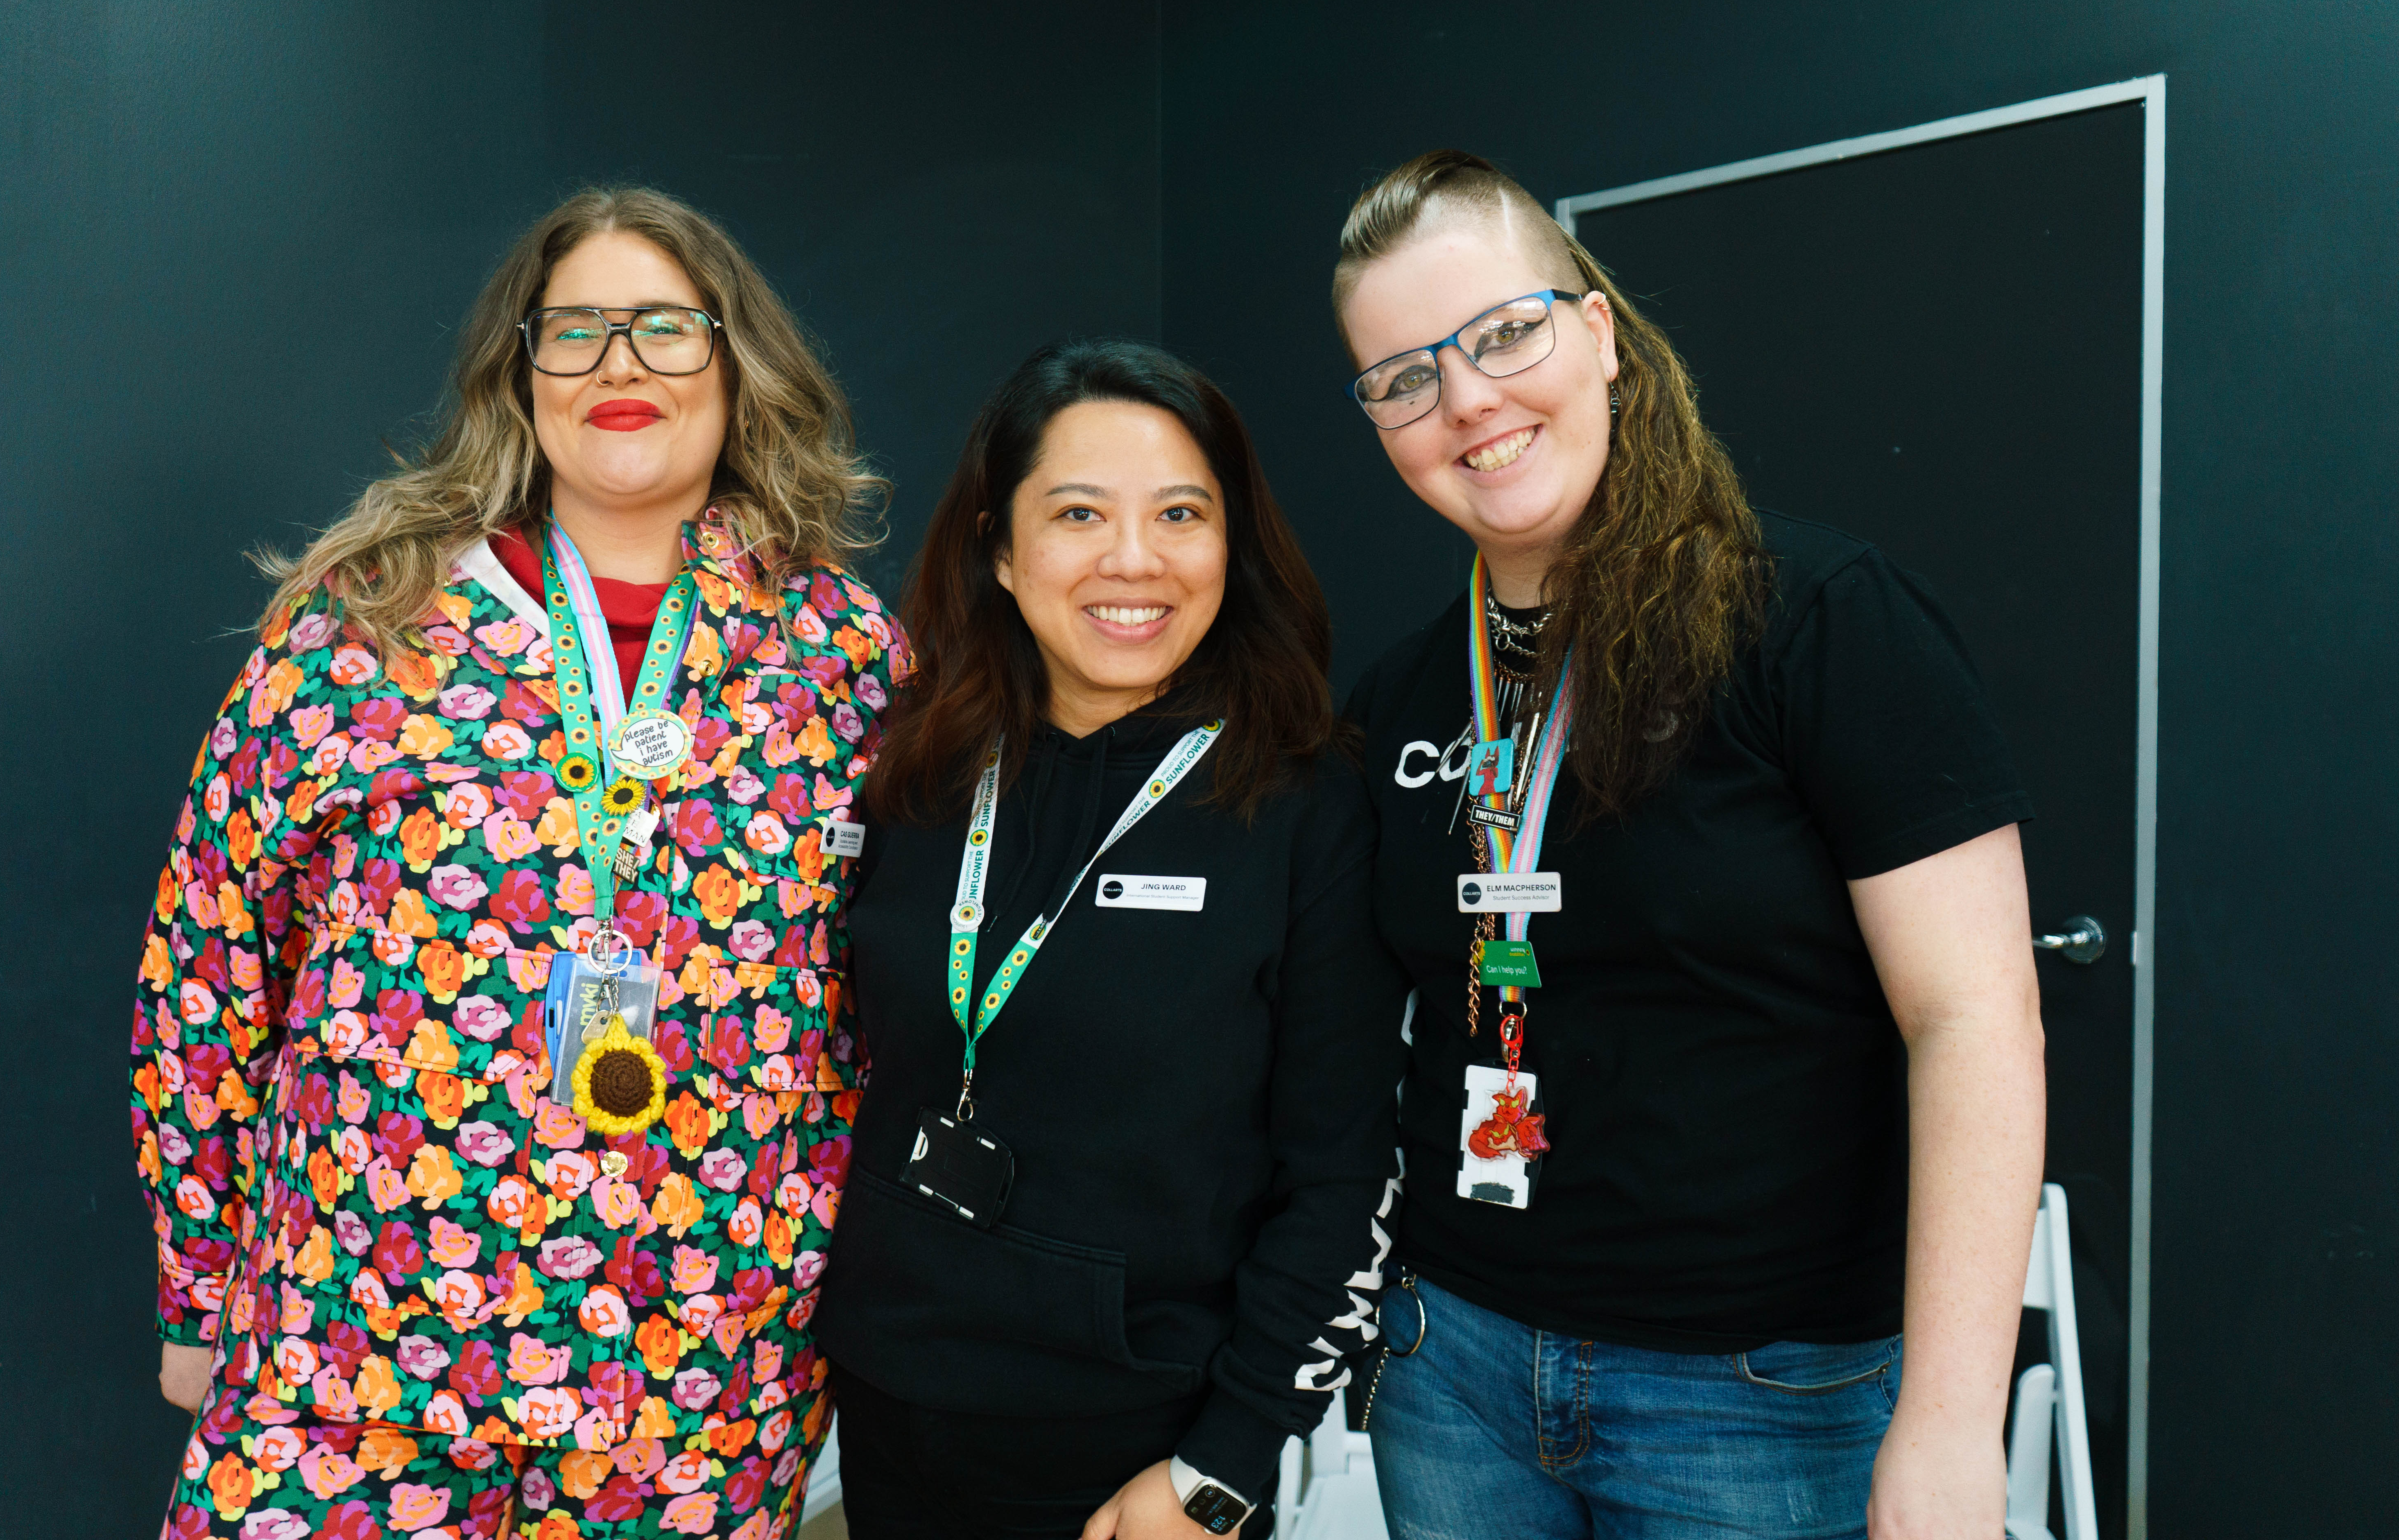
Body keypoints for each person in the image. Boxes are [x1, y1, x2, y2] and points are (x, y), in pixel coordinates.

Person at [133, 185, 908, 1540]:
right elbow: (207, 968)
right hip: (353, 1357)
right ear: (518, 369)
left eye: (668, 328)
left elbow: (895, 996)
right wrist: (202, 1291)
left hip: (707, 1379)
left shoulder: (844, 657)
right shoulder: (365, 623)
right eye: (577, 331)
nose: (620, 365)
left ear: (737, 365)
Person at [1333, 151, 2046, 1540]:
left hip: (1760, 1395)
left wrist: (1954, 1428)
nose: (1467, 398)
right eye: (1404, 377)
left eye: (1503, 332)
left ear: (1597, 332)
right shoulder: (1403, 699)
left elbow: (1976, 1018)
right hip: (1457, 1369)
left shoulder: (1820, 621)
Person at [811, 341, 1405, 1540]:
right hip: (887, 1414)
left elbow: (1346, 1178)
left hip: (1140, 1455)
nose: (1134, 561)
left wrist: (1227, 1462)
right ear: (998, 544)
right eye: (1078, 513)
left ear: (1232, 543)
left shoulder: (1302, 803)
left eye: (1181, 514)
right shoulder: (912, 772)